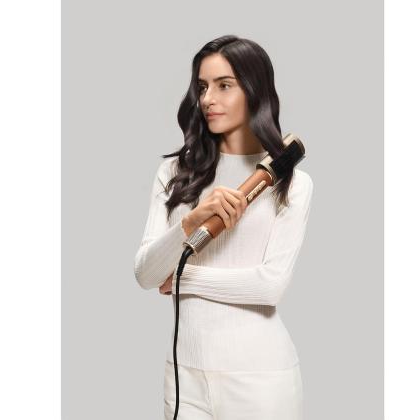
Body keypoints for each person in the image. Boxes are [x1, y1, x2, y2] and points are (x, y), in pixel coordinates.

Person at [134, 35, 314, 420]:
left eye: (224, 85)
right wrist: (191, 221)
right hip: (183, 378)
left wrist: (180, 278)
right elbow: (146, 274)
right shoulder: (175, 173)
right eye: (202, 87)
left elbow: (269, 286)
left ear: (254, 90)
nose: (207, 99)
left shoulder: (292, 183)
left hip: (261, 380)